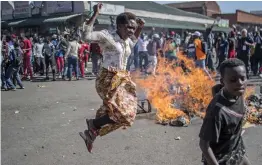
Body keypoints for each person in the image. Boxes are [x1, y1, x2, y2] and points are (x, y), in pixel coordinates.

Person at [79, 3, 144, 153]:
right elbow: (85, 36)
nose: (131, 31)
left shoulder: (127, 40)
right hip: (107, 78)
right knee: (120, 112)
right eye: (129, 27)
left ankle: (93, 130)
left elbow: (133, 42)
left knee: (129, 115)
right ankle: (94, 125)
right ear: (120, 26)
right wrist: (94, 14)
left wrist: (140, 28)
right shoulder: (107, 37)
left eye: (133, 28)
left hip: (122, 79)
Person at [199, 58, 251, 165]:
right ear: (223, 81)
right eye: (233, 80)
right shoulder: (217, 112)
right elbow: (204, 144)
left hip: (236, 150)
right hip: (220, 158)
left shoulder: (236, 92)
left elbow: (216, 89)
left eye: (243, 78)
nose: (240, 83)